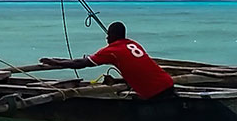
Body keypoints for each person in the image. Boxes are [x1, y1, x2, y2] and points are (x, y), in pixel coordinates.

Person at [39, 21, 176, 99]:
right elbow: (137, 68)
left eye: (108, 35)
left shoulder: (111, 51)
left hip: (155, 93)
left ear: (113, 35)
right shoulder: (133, 44)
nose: (106, 38)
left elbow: (81, 64)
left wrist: (56, 63)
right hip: (168, 84)